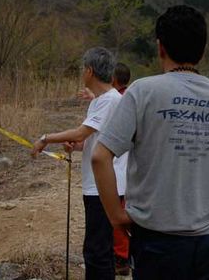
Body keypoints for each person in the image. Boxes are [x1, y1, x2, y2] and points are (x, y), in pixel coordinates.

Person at [92, 5, 209, 280]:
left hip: (157, 243)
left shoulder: (142, 92)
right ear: (203, 51)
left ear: (160, 47)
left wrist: (115, 215)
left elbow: (100, 156)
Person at [31, 47, 128, 280]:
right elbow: (94, 138)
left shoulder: (109, 101)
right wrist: (76, 145)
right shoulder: (103, 101)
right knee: (96, 247)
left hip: (104, 186)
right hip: (98, 185)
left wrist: (46, 138)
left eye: (83, 69)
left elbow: (81, 131)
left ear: (89, 71)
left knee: (97, 251)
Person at [78, 61, 132, 276]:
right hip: (110, 181)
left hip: (107, 182)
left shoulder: (117, 100)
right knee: (103, 242)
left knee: (99, 247)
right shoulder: (117, 99)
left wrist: (46, 139)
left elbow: (83, 134)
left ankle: (122, 258)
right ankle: (120, 259)